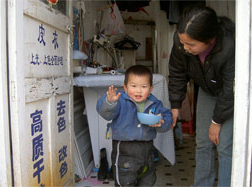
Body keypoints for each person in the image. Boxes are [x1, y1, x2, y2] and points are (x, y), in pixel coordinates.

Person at [168, 6, 235, 187]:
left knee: (224, 146)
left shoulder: (229, 46)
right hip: (208, 91)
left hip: (230, 96)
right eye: (183, 42)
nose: (185, 48)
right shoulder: (181, 42)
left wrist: (216, 122)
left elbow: (230, 89)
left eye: (191, 45)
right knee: (203, 142)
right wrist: (175, 105)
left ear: (210, 39)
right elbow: (176, 72)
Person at [96, 65, 172, 186]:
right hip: (124, 149)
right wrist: (110, 102)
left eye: (144, 86)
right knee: (125, 181)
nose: (138, 90)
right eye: (134, 86)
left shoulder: (154, 103)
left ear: (151, 88)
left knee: (148, 180)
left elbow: (167, 117)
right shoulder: (120, 100)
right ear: (125, 87)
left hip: (147, 149)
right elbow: (106, 114)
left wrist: (161, 122)